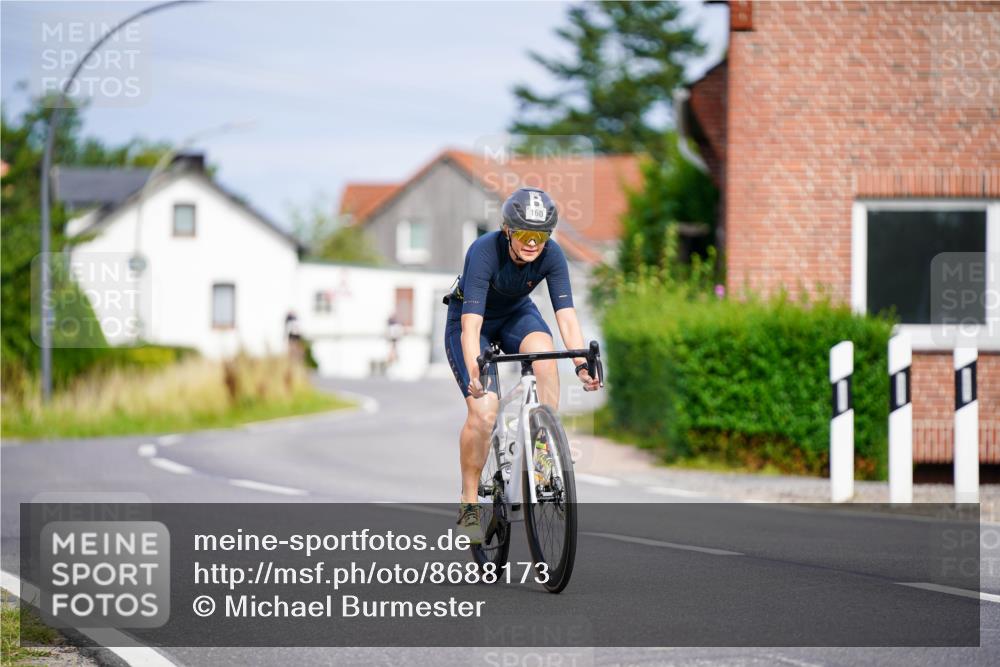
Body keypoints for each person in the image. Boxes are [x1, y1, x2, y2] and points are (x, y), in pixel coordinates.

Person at [443, 187, 601, 543]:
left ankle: (544, 452)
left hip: (516, 314)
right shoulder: (484, 251)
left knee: (545, 356)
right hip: (471, 320)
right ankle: (470, 499)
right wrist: (475, 373)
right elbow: (471, 327)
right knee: (484, 411)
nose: (533, 244)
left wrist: (580, 362)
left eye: (541, 236)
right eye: (526, 235)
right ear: (508, 230)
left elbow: (568, 319)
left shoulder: (552, 256)